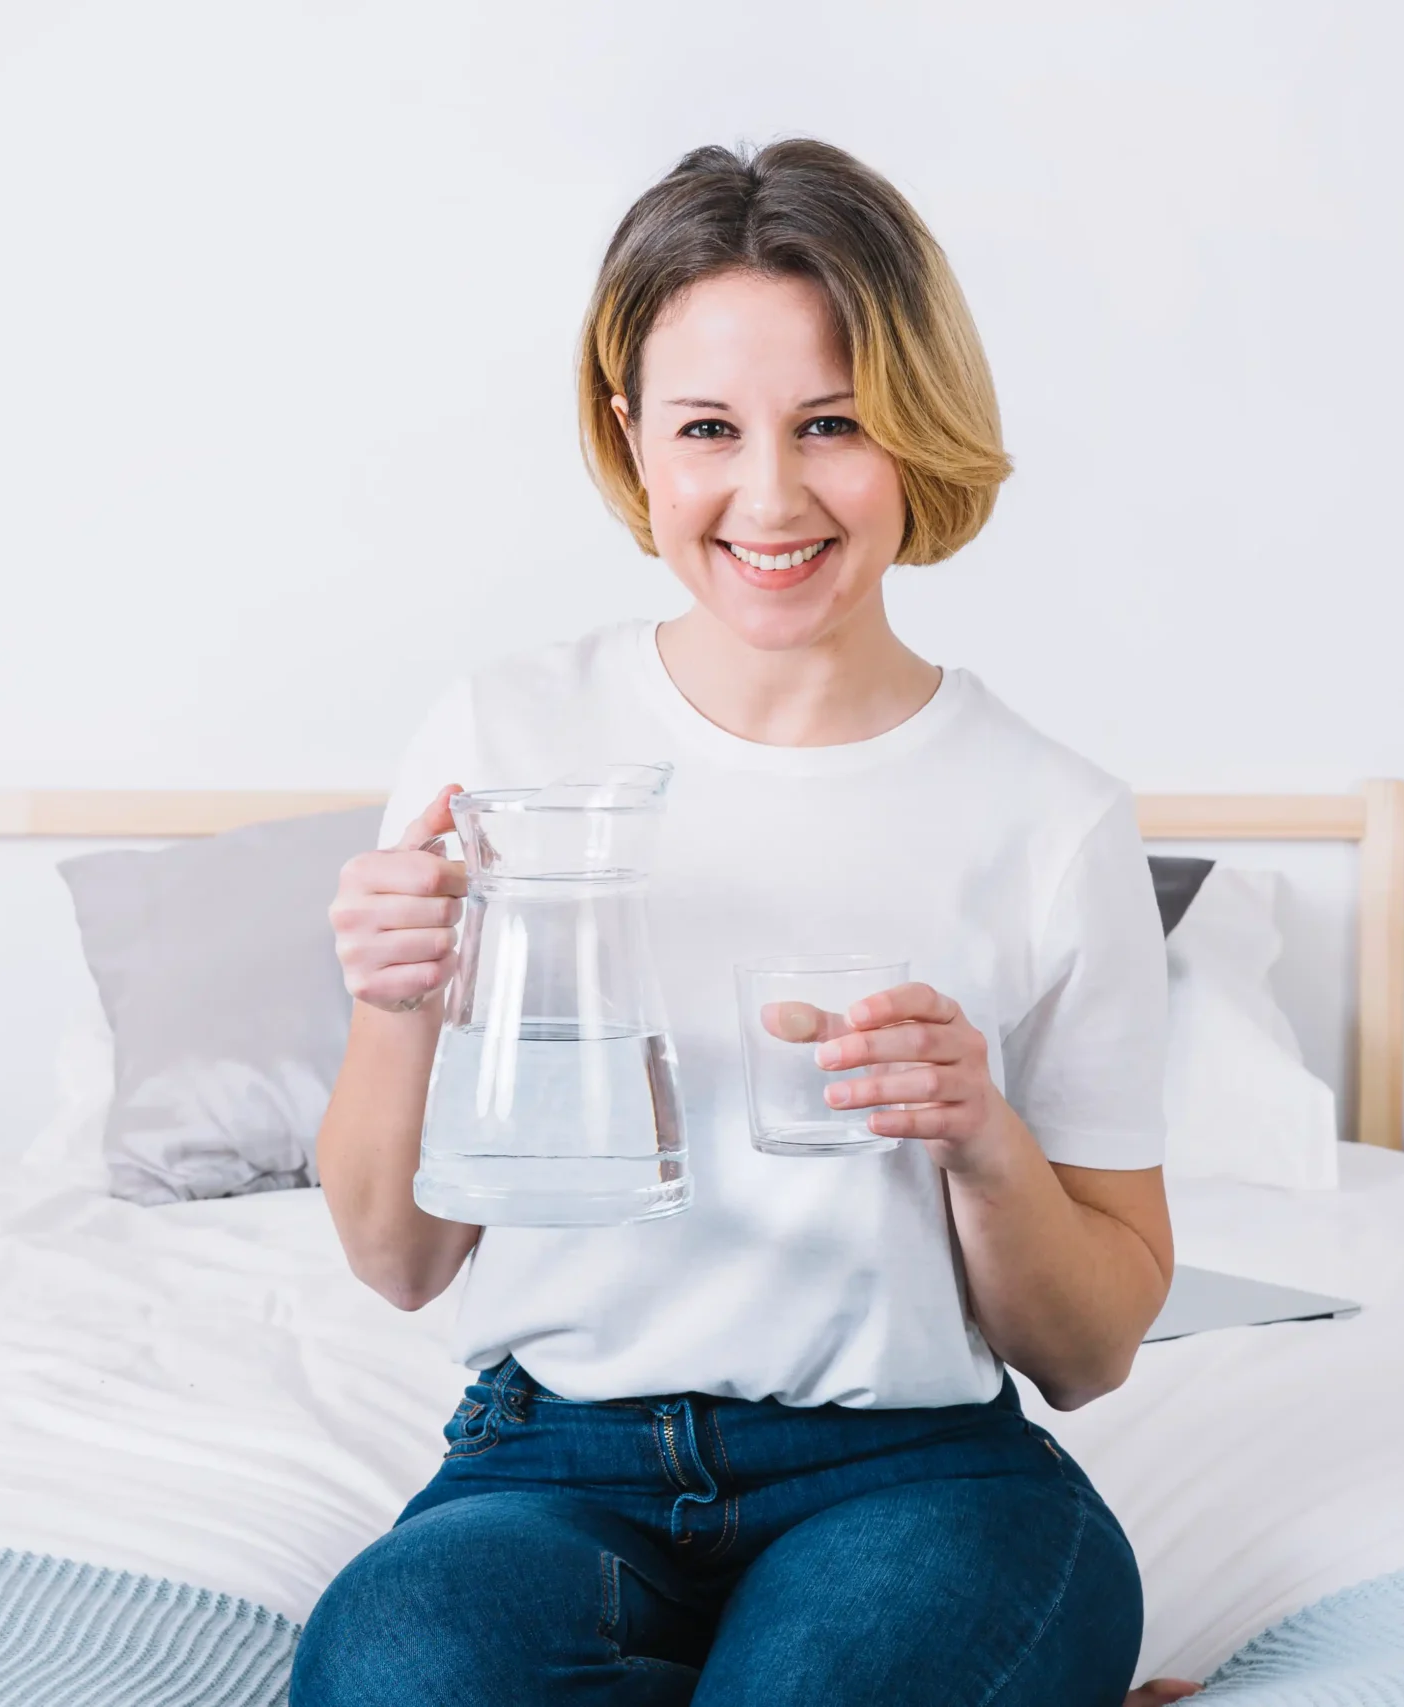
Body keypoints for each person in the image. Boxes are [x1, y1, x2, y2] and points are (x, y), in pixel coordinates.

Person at [296, 139, 1199, 1707]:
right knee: (386, 1672)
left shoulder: (1048, 813)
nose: (770, 494)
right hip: (550, 1463)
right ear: (632, 437)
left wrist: (980, 1133)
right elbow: (396, 1256)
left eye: (833, 424)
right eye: (709, 427)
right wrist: (393, 1005)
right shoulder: (501, 739)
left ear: (917, 433)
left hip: (918, 1473)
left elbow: (1093, 1346)